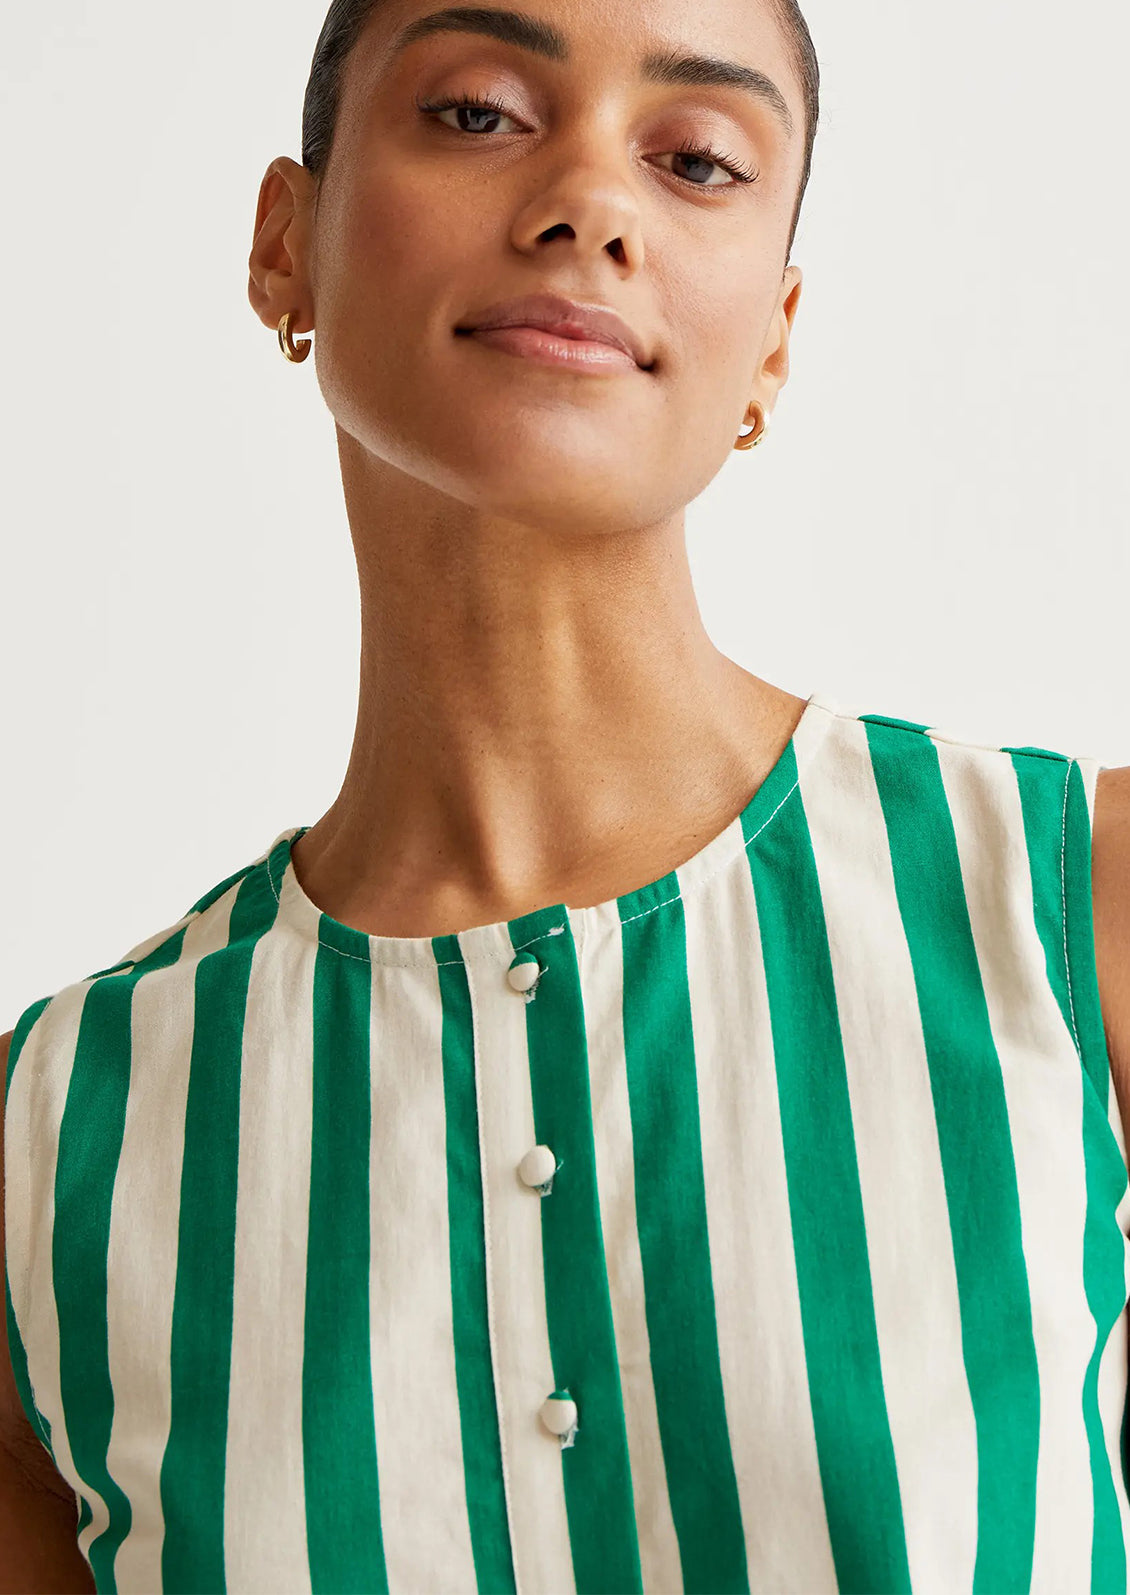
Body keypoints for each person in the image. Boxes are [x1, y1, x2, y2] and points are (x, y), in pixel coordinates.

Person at [4, 0, 1130, 1589]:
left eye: (696, 158)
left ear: (776, 338)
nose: (589, 203)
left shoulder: (1071, 911)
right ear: (285, 242)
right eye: (476, 111)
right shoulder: (51, 1143)